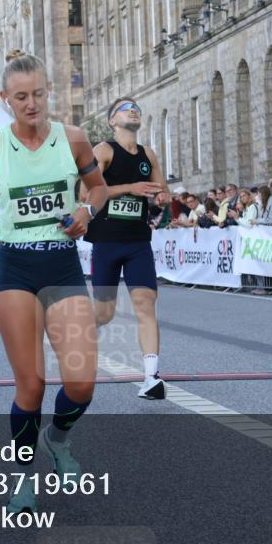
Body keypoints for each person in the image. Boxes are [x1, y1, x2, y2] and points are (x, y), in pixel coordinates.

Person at [0, 49, 108, 514]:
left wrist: (86, 210)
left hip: (62, 264)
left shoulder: (74, 139)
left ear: (48, 91)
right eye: (21, 97)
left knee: (81, 382)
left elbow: (96, 188)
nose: (31, 104)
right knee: (32, 384)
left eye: (38, 93)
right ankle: (22, 478)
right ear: (5, 99)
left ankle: (58, 440)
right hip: (16, 266)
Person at [82, 96, 171, 400]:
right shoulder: (103, 150)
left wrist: (161, 197)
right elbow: (86, 190)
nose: (132, 109)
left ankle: (151, 377)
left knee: (146, 304)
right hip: (107, 241)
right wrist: (129, 188)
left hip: (137, 241)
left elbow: (163, 191)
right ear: (112, 121)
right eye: (124, 108)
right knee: (104, 313)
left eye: (135, 107)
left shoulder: (149, 154)